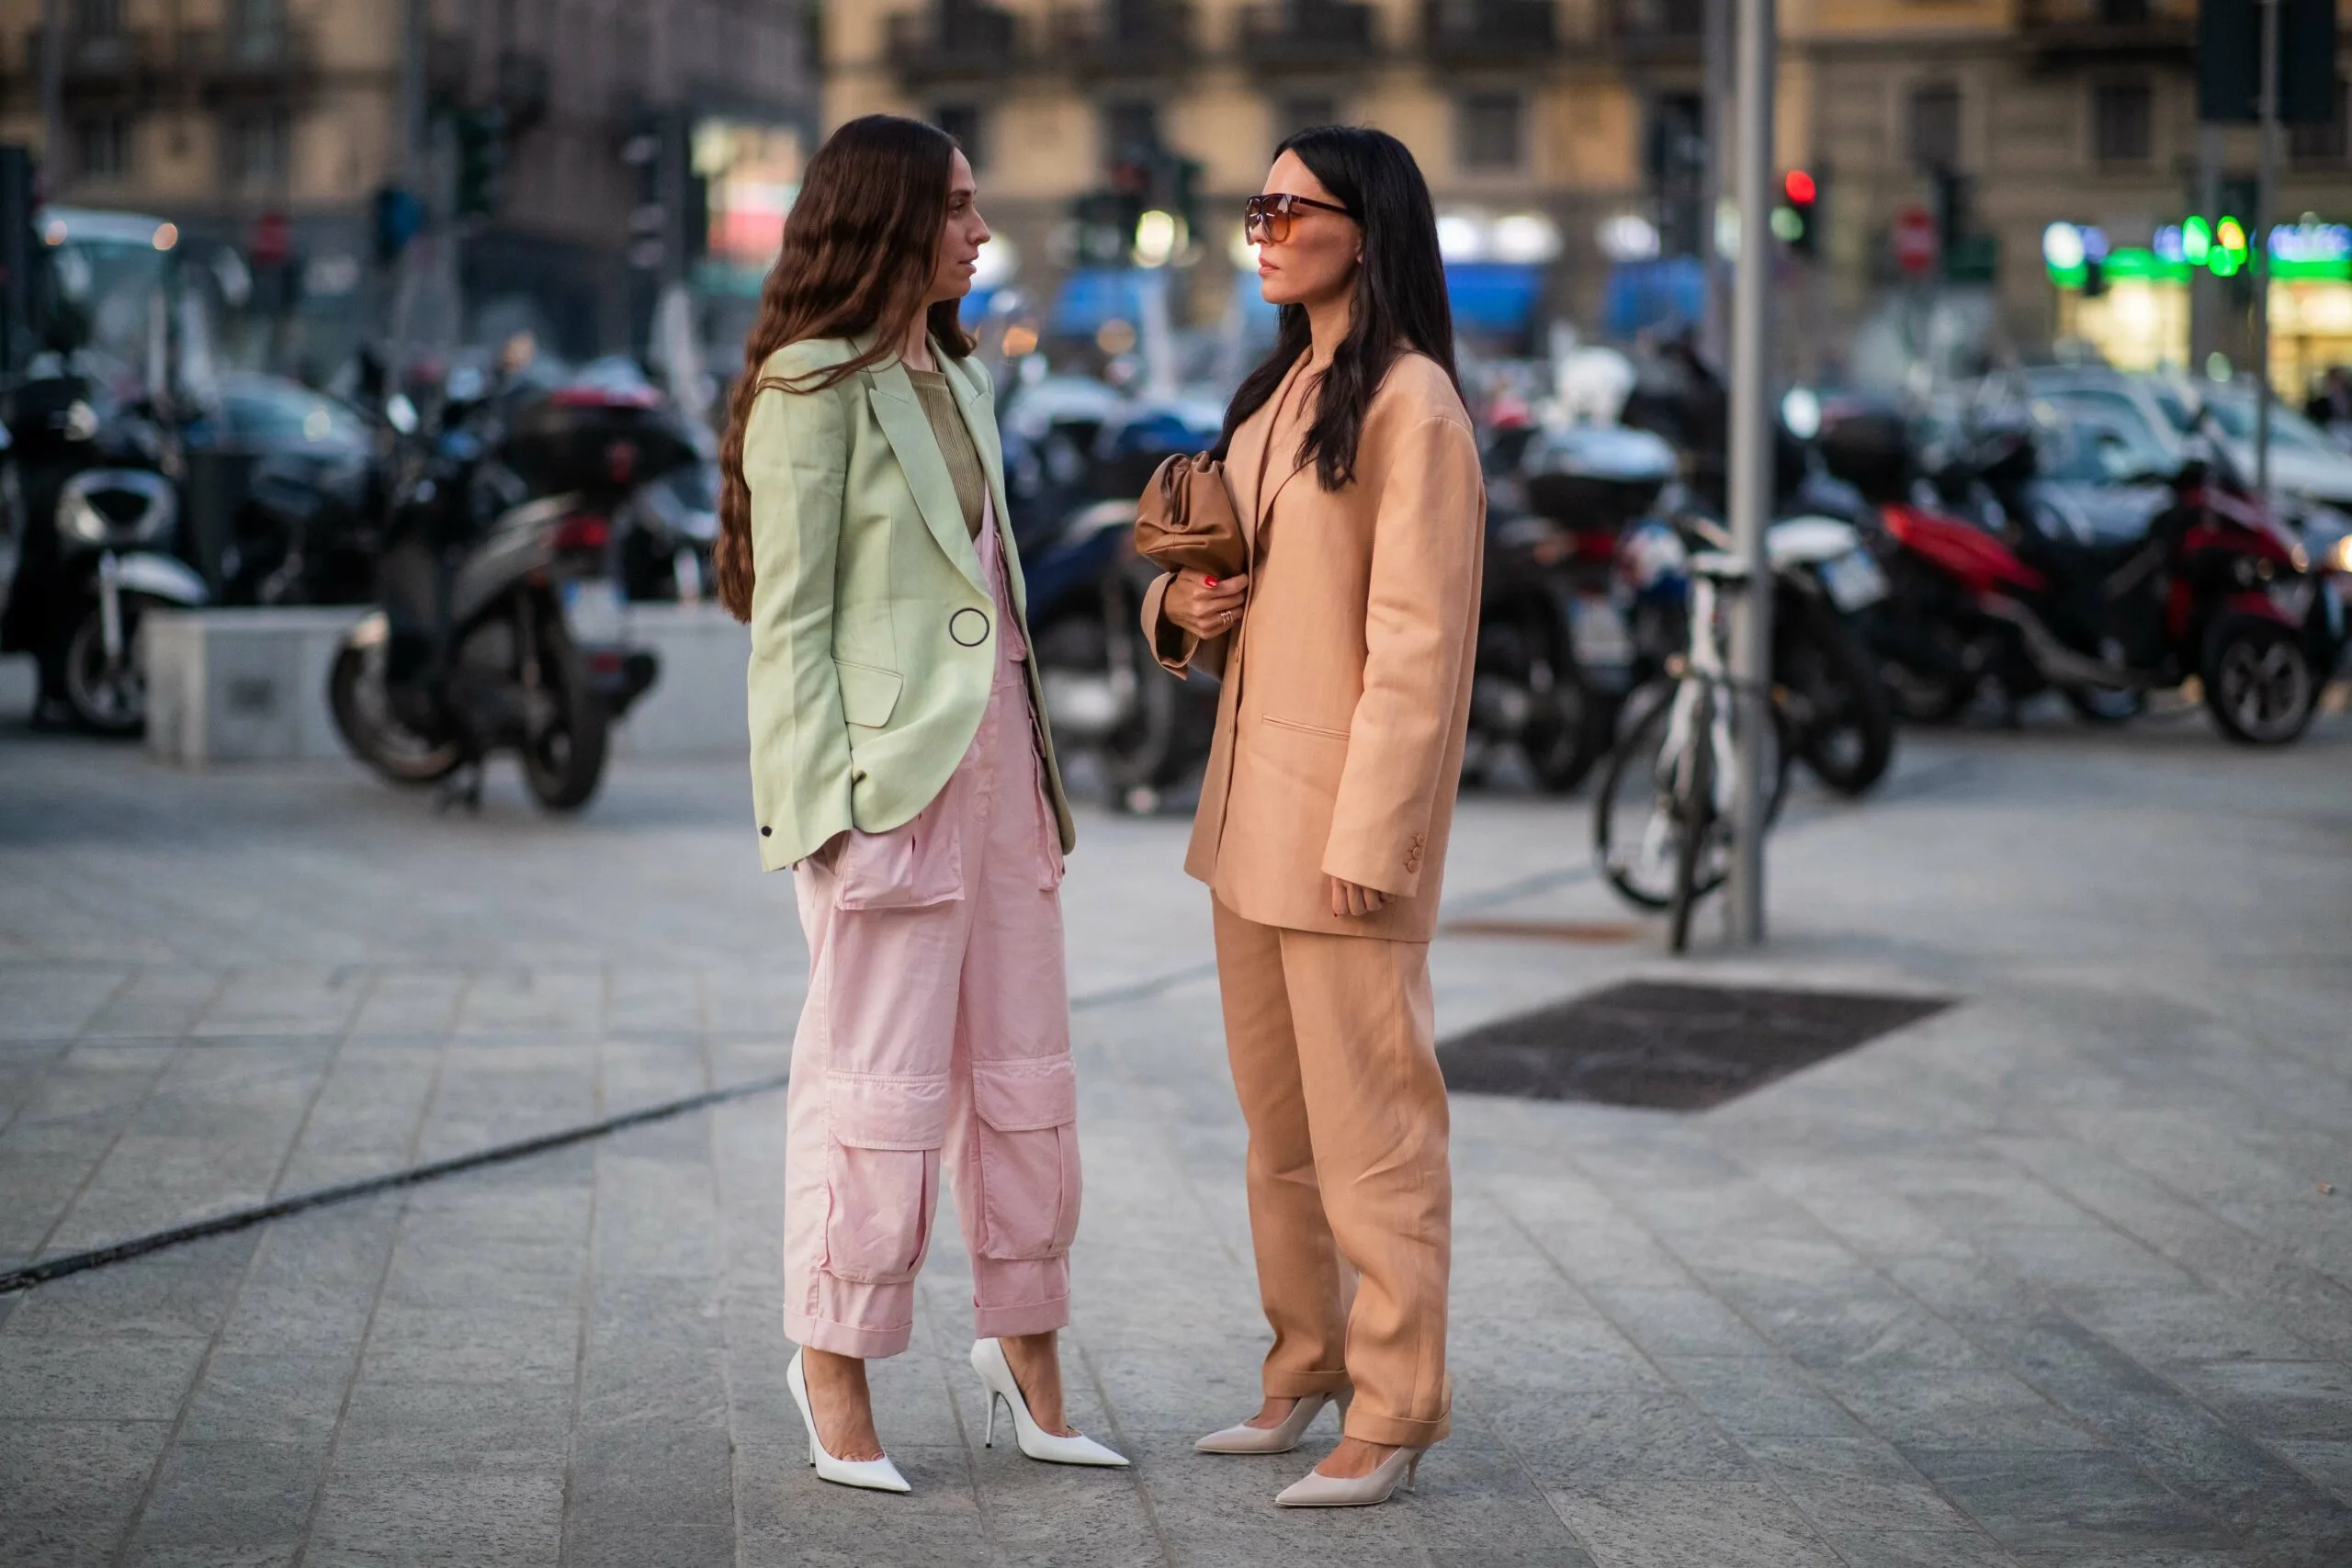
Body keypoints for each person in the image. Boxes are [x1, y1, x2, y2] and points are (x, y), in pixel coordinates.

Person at [716, 113, 1125, 1495]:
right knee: (873, 1085)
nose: (980, 227)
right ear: (888, 219)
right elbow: (793, 629)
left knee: (1023, 1069)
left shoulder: (960, 376)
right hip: (885, 787)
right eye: (957, 205)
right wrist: (820, 817)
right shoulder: (809, 388)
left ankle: (1028, 1354)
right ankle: (830, 1362)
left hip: (1004, 766)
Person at [1139, 125, 1485, 1508]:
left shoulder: (1415, 407)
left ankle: (1395, 1405)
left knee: (1377, 1134)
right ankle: (1306, 1361)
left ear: (1369, 226)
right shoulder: (1279, 389)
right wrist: (1185, 611)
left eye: (1292, 205)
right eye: (1257, 205)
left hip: (1343, 832)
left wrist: (1374, 842)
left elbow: (1419, 650)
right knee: (1279, 1132)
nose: (1265, 226)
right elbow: (1214, 575)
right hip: (1246, 820)